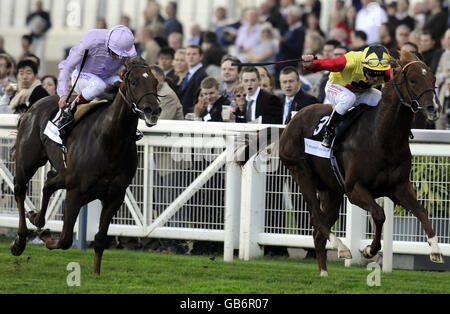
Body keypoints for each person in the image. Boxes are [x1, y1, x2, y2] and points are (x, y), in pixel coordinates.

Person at [302, 44, 393, 147]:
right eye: (372, 73)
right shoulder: (351, 61)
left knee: (383, 100)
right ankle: (329, 130)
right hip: (336, 87)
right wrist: (311, 64)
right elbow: (328, 63)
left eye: (380, 73)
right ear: (364, 66)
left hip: (361, 92)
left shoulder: (388, 72)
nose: (376, 79)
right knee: (349, 98)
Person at [55, 24, 136, 138]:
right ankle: (69, 112)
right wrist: (63, 94)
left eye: (120, 55)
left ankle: (128, 124)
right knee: (98, 85)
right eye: (115, 53)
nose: (118, 58)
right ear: (108, 43)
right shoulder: (92, 39)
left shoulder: (128, 48)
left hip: (106, 80)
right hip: (81, 77)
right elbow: (68, 66)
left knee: (126, 85)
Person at [179, 45, 207, 115]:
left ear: (201, 56)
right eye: (188, 54)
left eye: (194, 54)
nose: (191, 57)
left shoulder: (202, 75)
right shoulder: (187, 74)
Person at [26, 0, 51, 77]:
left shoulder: (45, 14)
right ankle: (30, 71)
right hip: (33, 37)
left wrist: (41, 30)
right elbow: (28, 23)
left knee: (41, 56)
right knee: (31, 54)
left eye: (39, 4)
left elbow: (49, 24)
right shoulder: (33, 14)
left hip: (41, 37)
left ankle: (40, 74)